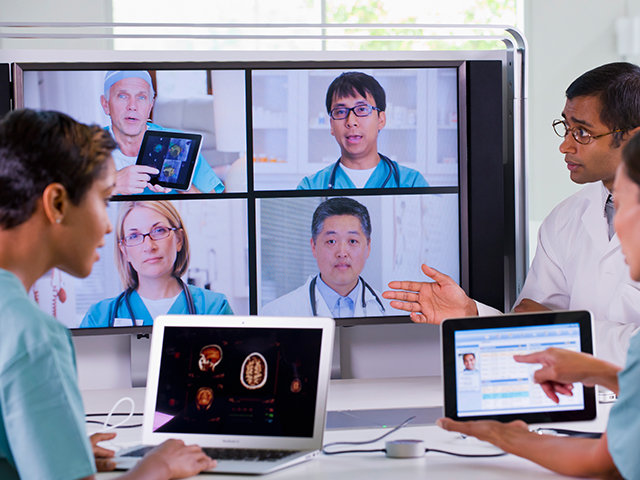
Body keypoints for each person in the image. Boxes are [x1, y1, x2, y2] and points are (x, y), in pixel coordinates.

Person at [0, 109, 216, 479]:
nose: (105, 225)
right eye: (103, 199)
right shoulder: (31, 335)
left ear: (178, 239)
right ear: (57, 204)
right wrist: (156, 468)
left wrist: (58, 450)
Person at [383, 62, 640, 367]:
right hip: (576, 404)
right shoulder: (565, 219)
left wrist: (563, 329)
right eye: (566, 128)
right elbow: (530, 328)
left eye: (582, 132)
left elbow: (548, 329)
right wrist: (471, 314)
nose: (564, 145)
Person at [436, 130, 640, 480]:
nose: (613, 223)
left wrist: (503, 435)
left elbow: (602, 464)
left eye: (620, 206)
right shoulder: (568, 215)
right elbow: (531, 316)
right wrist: (600, 371)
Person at [81, 200, 233, 328]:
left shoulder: (213, 308)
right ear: (124, 251)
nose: (149, 246)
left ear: (179, 240)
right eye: (134, 236)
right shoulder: (99, 317)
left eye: (159, 230)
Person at [296, 72, 429, 190]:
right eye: (341, 111)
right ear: (331, 124)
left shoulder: (411, 183)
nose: (351, 122)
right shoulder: (311, 186)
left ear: (381, 120)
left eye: (362, 109)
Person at [100, 70, 224, 195]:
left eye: (141, 97)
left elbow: (211, 205)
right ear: (105, 104)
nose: (132, 106)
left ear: (150, 106)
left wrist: (185, 188)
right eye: (122, 96)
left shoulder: (179, 144)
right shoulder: (85, 147)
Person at [261, 197, 388, 317]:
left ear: (368, 247)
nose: (342, 253)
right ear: (314, 247)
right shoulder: (276, 314)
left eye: (352, 241)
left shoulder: (391, 310)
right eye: (331, 241)